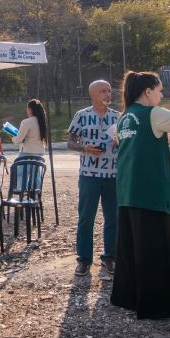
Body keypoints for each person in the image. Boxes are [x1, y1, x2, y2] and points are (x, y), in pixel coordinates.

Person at [110, 72, 170, 320]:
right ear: (148, 92)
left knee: (131, 249)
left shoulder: (124, 117)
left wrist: (167, 147)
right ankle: (158, 307)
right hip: (150, 191)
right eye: (160, 91)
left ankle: (129, 299)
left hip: (128, 190)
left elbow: (138, 146)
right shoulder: (154, 114)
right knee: (154, 249)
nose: (162, 96)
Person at [67, 80, 121, 279]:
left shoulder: (118, 117)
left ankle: (110, 257)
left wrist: (119, 141)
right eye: (103, 91)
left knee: (113, 218)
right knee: (86, 218)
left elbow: (127, 144)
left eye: (109, 91)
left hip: (113, 175)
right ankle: (83, 260)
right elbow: (70, 143)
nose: (108, 94)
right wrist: (85, 148)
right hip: (89, 174)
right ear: (93, 95)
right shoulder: (82, 116)